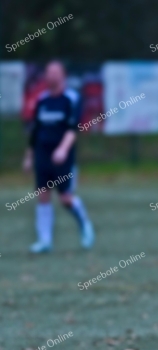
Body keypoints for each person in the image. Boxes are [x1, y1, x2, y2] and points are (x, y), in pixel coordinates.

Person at [24, 60, 93, 253]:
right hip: (42, 155)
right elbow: (35, 131)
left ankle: (84, 224)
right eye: (48, 72)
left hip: (64, 157)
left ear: (63, 75)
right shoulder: (42, 100)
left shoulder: (71, 98)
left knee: (65, 199)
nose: (51, 75)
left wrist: (63, 149)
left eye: (55, 72)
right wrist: (29, 156)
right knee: (43, 196)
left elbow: (73, 129)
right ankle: (44, 240)